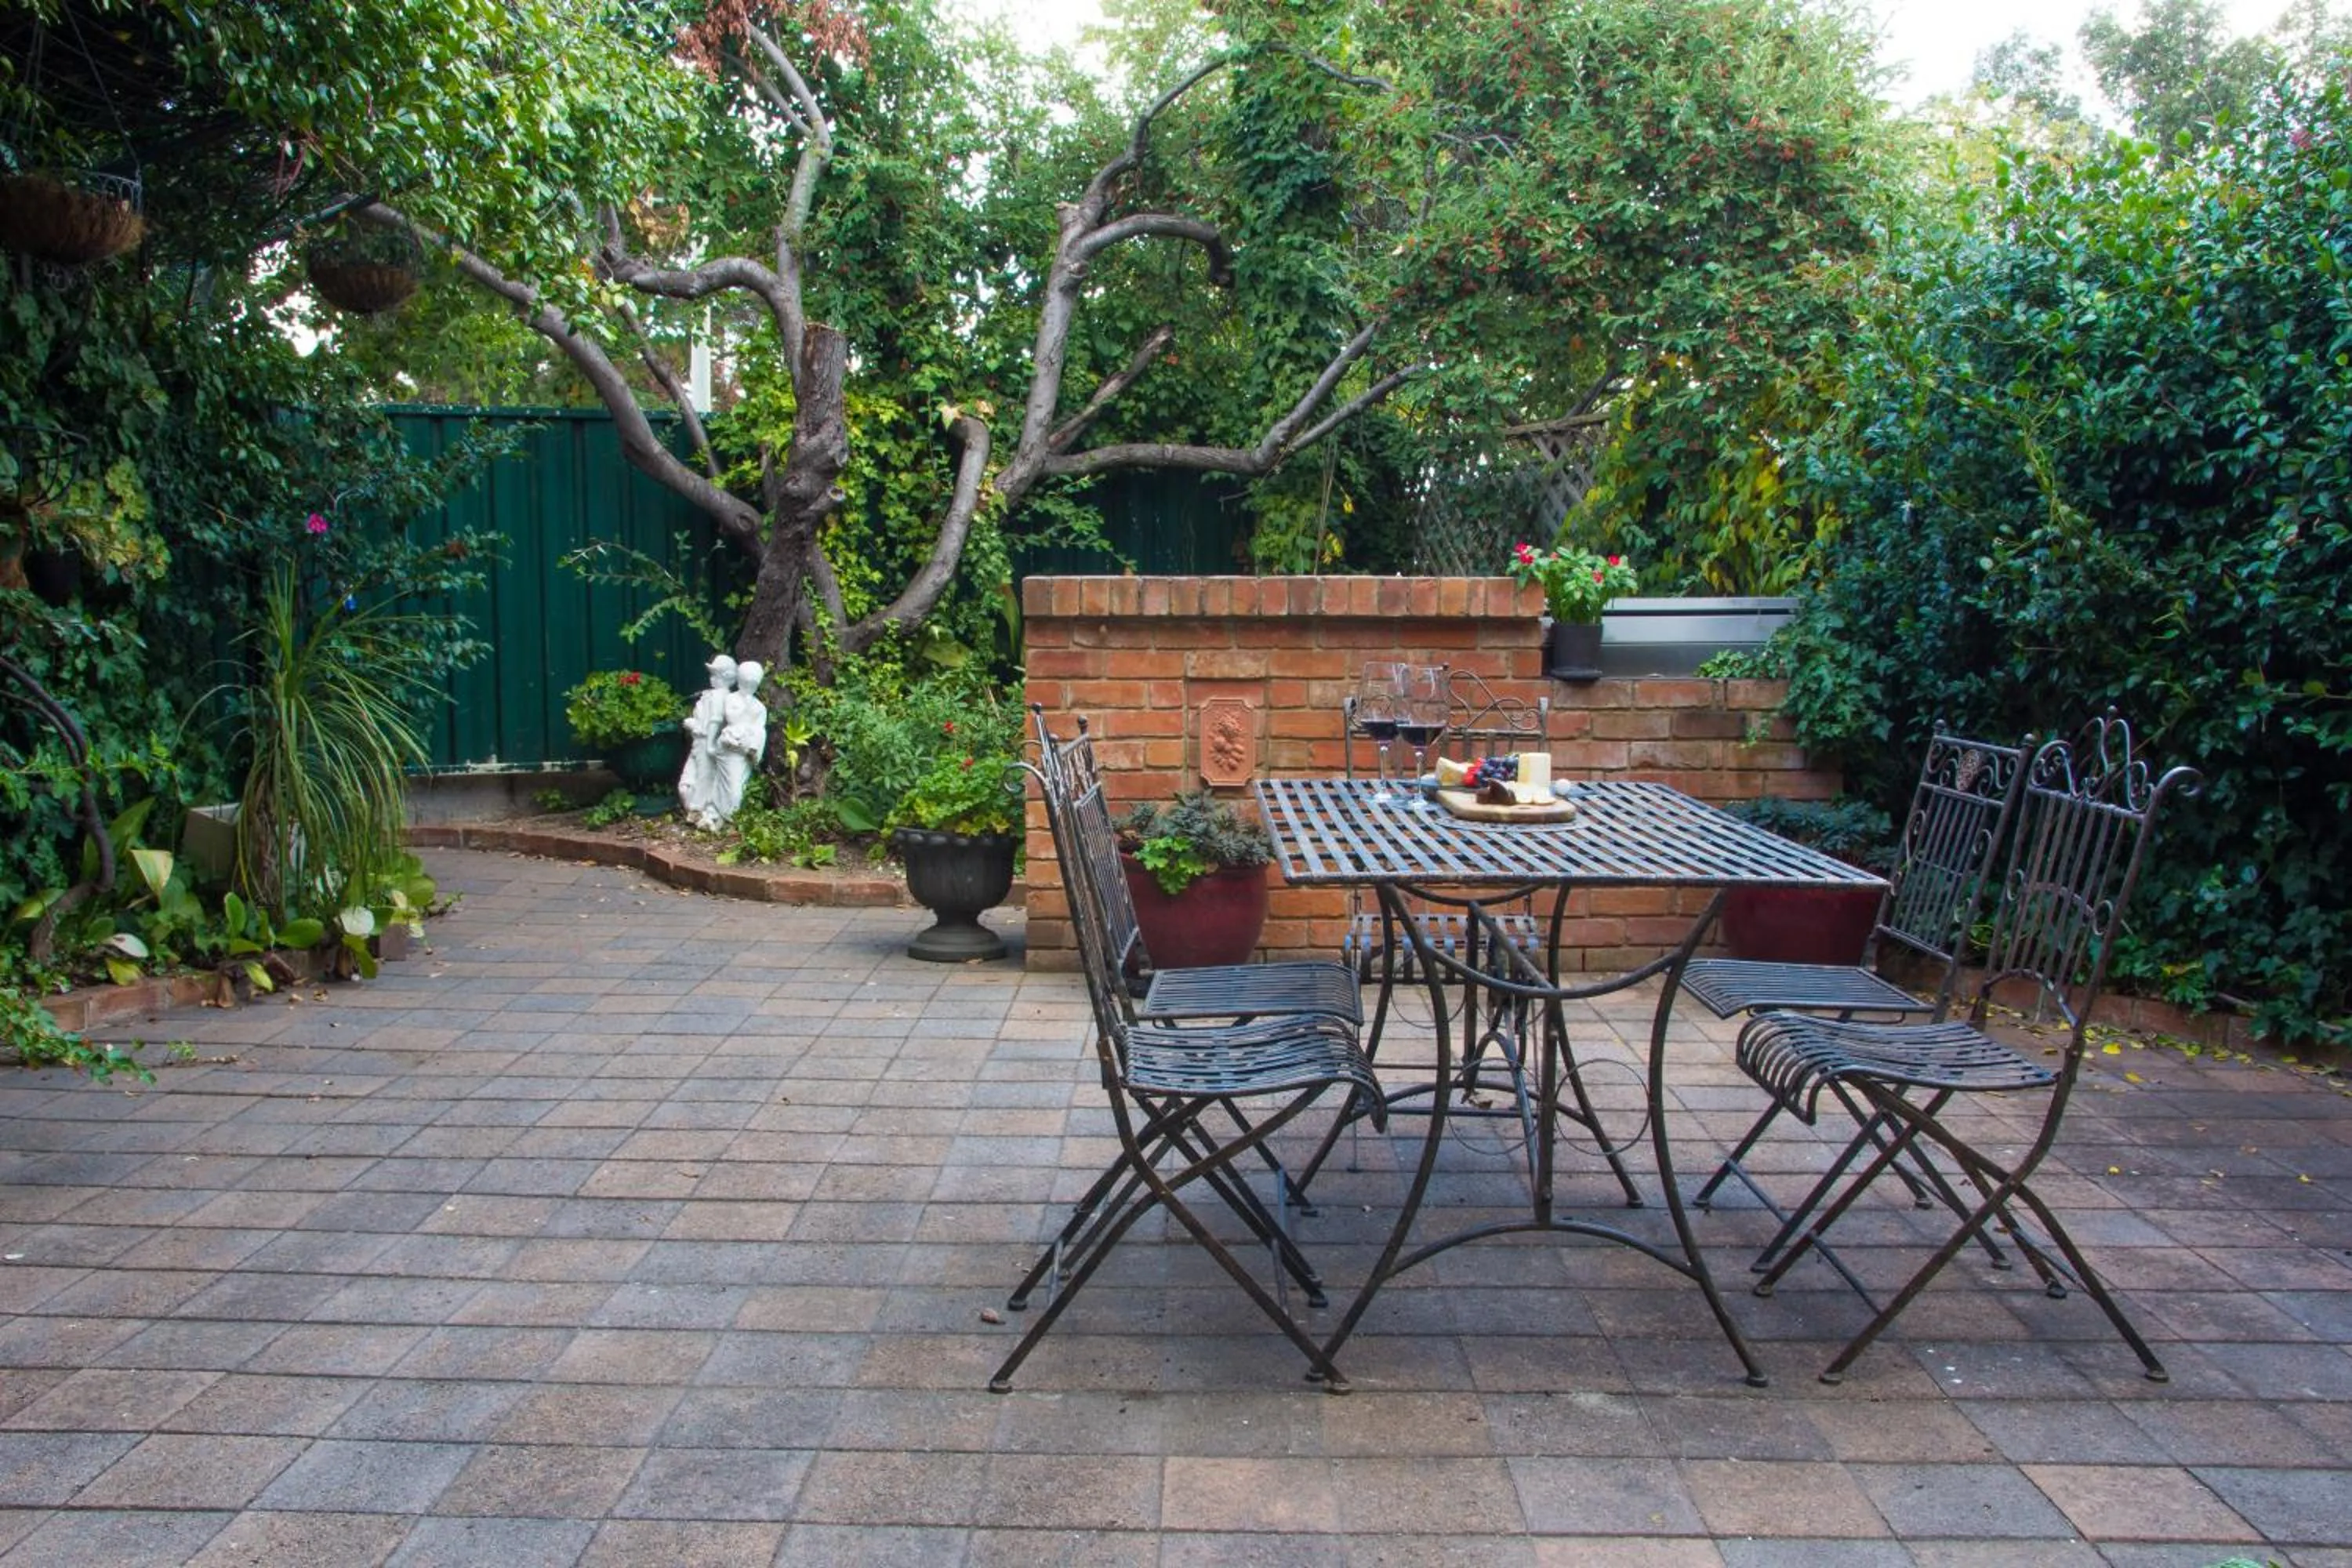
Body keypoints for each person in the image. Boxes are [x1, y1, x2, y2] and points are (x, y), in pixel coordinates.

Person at [707, 659, 768, 829]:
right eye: (746, 682)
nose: (749, 687)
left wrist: (752, 745)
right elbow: (731, 718)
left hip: (744, 751)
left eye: (753, 684)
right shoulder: (731, 698)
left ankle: (728, 818)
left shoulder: (760, 707)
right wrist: (746, 709)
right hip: (729, 748)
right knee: (729, 786)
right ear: (740, 681)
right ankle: (719, 815)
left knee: (737, 789)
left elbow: (760, 729)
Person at [677, 652, 736, 823]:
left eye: (715, 675)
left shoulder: (720, 697)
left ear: (726, 677)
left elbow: (715, 722)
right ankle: (695, 809)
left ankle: (697, 810)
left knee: (703, 777)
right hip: (699, 742)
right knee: (687, 783)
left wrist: (705, 738)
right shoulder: (711, 695)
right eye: (711, 675)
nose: (711, 679)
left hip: (705, 742)